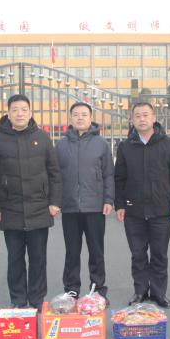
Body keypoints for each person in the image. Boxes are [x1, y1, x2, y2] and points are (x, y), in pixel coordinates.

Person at [0, 94, 62, 311]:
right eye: (15, 110)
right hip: (10, 208)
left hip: (39, 207)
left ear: (30, 112)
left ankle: (37, 299)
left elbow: (54, 173)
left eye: (24, 109)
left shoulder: (42, 138)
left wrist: (55, 202)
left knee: (38, 258)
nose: (19, 114)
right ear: (8, 113)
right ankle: (18, 298)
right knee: (15, 258)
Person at [114, 102, 170, 309]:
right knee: (138, 254)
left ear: (154, 118)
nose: (142, 119)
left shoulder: (169, 145)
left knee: (159, 254)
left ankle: (159, 293)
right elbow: (119, 178)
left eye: (146, 115)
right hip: (133, 210)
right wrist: (120, 205)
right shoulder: (125, 147)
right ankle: (140, 291)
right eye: (137, 116)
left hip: (161, 210)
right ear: (132, 120)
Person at [56, 102, 114, 303]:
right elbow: (55, 176)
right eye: (76, 114)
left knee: (96, 250)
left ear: (90, 118)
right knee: (72, 251)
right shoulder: (61, 145)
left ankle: (98, 290)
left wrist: (108, 199)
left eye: (84, 114)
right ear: (70, 118)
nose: (80, 117)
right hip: (70, 206)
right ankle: (71, 289)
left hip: (95, 206)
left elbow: (108, 174)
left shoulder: (101, 144)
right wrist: (55, 201)